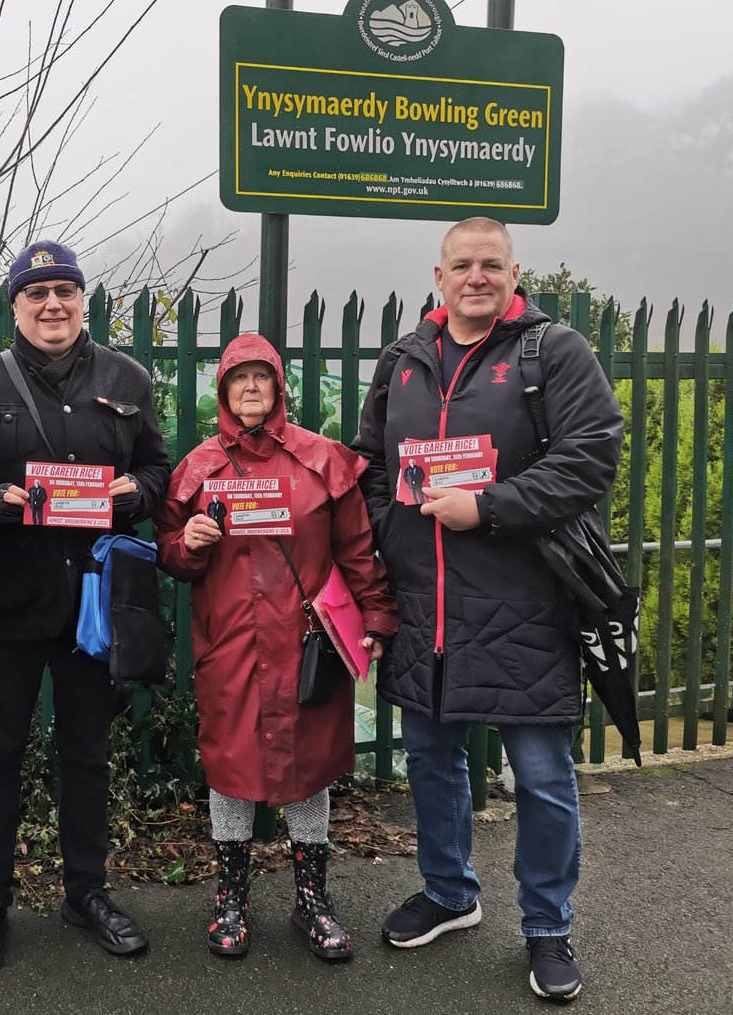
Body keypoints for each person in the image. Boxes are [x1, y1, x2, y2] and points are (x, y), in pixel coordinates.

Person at [353, 218, 624, 1003]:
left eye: (491, 265)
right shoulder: (402, 361)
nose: (477, 276)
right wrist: (384, 521)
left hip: (522, 604)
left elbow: (591, 455)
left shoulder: (553, 352)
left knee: (540, 776)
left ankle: (547, 926)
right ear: (437, 277)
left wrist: (490, 507)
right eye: (462, 265)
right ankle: (448, 892)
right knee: (431, 759)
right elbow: (370, 459)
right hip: (424, 600)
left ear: (514, 274)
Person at [0, 241, 171, 975]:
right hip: (6, 601)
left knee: (87, 756)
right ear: (14, 306)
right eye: (36, 293)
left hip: (92, 607)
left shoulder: (127, 378)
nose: (52, 305)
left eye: (64, 291)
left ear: (83, 300)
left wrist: (131, 494)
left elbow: (158, 472)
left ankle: (86, 891)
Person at [154, 334, 397, 961]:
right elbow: (172, 554)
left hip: (305, 642)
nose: (252, 388)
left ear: (280, 387)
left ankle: (311, 899)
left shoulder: (322, 461)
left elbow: (356, 549)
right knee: (231, 768)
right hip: (230, 644)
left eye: (263, 377)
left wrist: (375, 612)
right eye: (240, 379)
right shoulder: (200, 467)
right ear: (224, 391)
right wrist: (193, 543)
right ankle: (230, 897)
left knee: (309, 768)